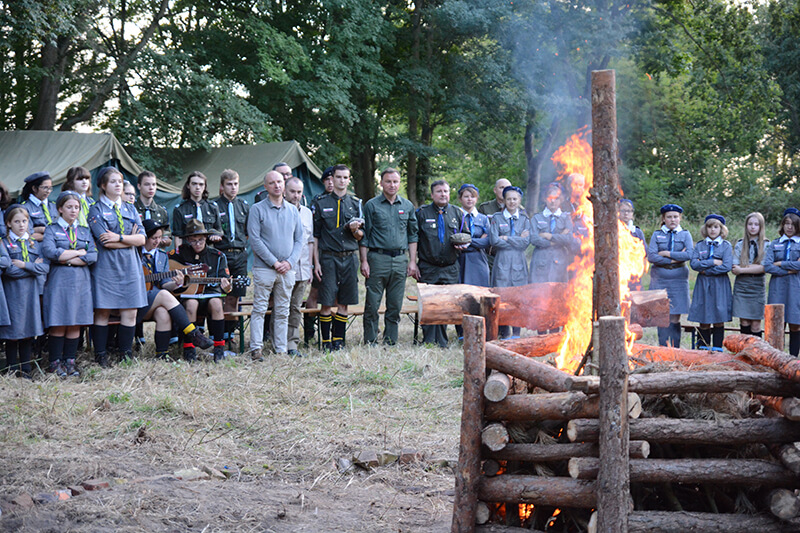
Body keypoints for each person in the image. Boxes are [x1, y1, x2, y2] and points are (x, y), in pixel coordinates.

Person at [88, 167, 147, 367]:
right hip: (106, 267)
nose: (118, 185)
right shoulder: (96, 209)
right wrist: (130, 240)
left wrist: (120, 237)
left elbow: (142, 239)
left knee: (130, 312)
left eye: (120, 181)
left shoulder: (130, 208)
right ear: (103, 185)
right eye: (113, 182)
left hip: (130, 266)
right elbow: (104, 241)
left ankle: (125, 355)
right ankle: (101, 355)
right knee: (103, 311)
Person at [359, 168, 419, 346]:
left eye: (395, 181)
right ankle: (370, 341)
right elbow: (364, 236)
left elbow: (413, 235)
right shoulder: (372, 205)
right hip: (377, 259)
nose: (392, 185)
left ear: (399, 183)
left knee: (395, 304)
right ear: (381, 183)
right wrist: (364, 261)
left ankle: (391, 340)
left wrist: (412, 261)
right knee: (372, 303)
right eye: (388, 181)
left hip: (400, 260)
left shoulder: (407, 206)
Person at [247, 171, 303, 359]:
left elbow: (299, 240)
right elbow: (255, 240)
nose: (277, 186)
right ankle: (256, 348)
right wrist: (274, 262)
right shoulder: (257, 209)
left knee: (283, 311)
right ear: (265, 187)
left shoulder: (293, 210)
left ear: (284, 184)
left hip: (287, 269)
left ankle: (281, 350)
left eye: (279, 182)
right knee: (260, 309)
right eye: (272, 183)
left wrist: (289, 262)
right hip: (264, 268)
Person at [139, 219, 213, 360]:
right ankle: (193, 333)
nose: (158, 241)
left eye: (160, 237)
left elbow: (165, 283)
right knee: (163, 295)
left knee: (162, 312)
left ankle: (162, 355)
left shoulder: (162, 256)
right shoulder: (134, 254)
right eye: (154, 238)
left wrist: (177, 284)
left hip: (152, 301)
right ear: (145, 237)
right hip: (136, 300)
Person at [41, 191, 97, 377]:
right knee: (59, 321)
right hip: (59, 281)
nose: (74, 211)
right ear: (60, 209)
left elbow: (93, 256)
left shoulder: (84, 231)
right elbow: (50, 251)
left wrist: (66, 257)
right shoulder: (52, 229)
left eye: (77, 207)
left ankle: (70, 362)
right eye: (69, 207)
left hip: (81, 281)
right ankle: (55, 363)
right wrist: (79, 253)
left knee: (75, 322)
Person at [312, 164, 363, 351]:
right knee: (326, 302)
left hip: (349, 258)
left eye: (345, 177)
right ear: (332, 179)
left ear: (349, 180)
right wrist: (316, 263)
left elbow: (361, 237)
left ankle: (338, 341)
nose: (342, 180)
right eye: (338, 177)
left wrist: (355, 230)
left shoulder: (356, 203)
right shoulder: (321, 202)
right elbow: (315, 236)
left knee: (344, 302)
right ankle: (326, 342)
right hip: (328, 258)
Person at [170, 220, 232, 362]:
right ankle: (189, 349)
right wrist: (177, 277)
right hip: (188, 296)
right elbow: (167, 265)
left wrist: (227, 287)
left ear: (206, 238)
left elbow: (226, 282)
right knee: (191, 305)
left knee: (216, 304)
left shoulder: (217, 256)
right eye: (193, 240)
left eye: (200, 240)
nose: (197, 244)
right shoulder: (179, 252)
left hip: (210, 294)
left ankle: (219, 348)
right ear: (187, 239)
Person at [415, 179, 465, 347]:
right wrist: (412, 263)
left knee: (445, 305)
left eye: (446, 191)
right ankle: (429, 340)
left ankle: (442, 341)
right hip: (428, 266)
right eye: (439, 191)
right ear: (432, 194)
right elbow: (414, 239)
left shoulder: (457, 213)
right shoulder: (422, 213)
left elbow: (465, 234)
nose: (443, 194)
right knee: (429, 304)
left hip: (450, 267)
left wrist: (463, 244)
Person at [1, 205, 49, 378]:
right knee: (13, 332)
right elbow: (9, 271)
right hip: (12, 292)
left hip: (31, 293)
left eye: (24, 221)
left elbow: (44, 267)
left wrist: (24, 265)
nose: (21, 225)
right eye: (17, 221)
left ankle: (26, 369)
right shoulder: (4, 243)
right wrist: (33, 268)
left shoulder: (34, 243)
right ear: (8, 223)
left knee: (28, 331)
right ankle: (12, 369)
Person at [276, 176, 314, 355]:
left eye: (299, 192)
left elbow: (310, 241)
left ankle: (292, 344)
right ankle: (278, 343)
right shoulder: (278, 211)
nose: (296, 195)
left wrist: (310, 267)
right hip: (284, 268)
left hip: (303, 268)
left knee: (295, 308)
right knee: (281, 307)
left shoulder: (307, 213)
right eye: (292, 191)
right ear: (285, 191)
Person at [648, 204, 693, 348]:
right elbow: (652, 256)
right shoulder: (657, 234)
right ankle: (663, 348)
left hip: (678, 278)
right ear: (663, 218)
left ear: (680, 218)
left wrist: (667, 254)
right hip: (660, 277)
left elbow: (689, 254)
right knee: (661, 314)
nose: (672, 220)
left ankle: (675, 349)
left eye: (675, 217)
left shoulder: (685, 234)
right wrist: (674, 259)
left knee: (675, 314)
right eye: (669, 217)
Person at [490, 186, 531, 339]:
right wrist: (517, 239)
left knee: (518, 298)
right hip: (503, 261)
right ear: (504, 200)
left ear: (519, 200)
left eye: (515, 199)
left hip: (519, 262)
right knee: (502, 296)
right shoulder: (497, 218)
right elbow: (494, 240)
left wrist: (506, 238)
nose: (512, 202)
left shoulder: (525, 219)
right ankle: (505, 333)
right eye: (509, 199)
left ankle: (516, 333)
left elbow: (525, 243)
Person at [213, 169, 250, 339]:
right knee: (221, 296)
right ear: (222, 186)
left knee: (235, 297)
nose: (233, 187)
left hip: (240, 255)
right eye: (229, 184)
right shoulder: (214, 206)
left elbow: (247, 232)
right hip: (222, 254)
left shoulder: (244, 205)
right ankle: (219, 335)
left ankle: (230, 335)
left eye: (236, 184)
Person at [688, 214, 733, 351]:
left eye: (716, 227)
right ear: (705, 229)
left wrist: (705, 269)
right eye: (709, 227)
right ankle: (702, 349)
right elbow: (694, 264)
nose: (712, 230)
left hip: (720, 284)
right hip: (703, 284)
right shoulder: (700, 245)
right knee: (703, 316)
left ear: (721, 229)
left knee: (719, 316)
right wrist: (713, 261)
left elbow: (726, 266)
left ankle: (718, 349)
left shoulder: (726, 246)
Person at [304, 166, 335, 343]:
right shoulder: (317, 201)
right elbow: (313, 232)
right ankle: (309, 331)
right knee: (315, 293)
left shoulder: (347, 200)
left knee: (336, 295)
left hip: (339, 255)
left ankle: (333, 332)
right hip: (321, 252)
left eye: (333, 179)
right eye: (327, 180)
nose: (331, 183)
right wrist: (315, 261)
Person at [764, 210, 800, 356]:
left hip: (796, 288)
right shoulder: (775, 243)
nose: (789, 227)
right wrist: (789, 270)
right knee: (777, 324)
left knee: (796, 324)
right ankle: (776, 358)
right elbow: (768, 266)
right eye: (787, 223)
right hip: (777, 288)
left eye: (793, 224)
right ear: (782, 225)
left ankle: (793, 359)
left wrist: (779, 263)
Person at [732, 212, 768, 337]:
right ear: (746, 226)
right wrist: (754, 267)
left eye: (756, 224)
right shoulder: (740, 244)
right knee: (744, 321)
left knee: (756, 324)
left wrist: (742, 269)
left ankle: (756, 349)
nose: (753, 227)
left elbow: (763, 268)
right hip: (742, 286)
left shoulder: (766, 244)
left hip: (757, 286)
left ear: (761, 226)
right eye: (750, 224)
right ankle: (745, 348)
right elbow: (734, 267)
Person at [529, 182, 574, 284]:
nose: (553, 201)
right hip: (540, 261)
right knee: (538, 290)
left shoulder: (566, 218)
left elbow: (569, 239)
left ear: (561, 200)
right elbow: (534, 239)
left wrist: (549, 236)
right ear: (545, 199)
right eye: (550, 198)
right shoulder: (537, 218)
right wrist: (558, 238)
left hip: (559, 261)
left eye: (556, 198)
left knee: (559, 290)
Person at [171, 171, 222, 247]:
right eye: (194, 184)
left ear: (205, 186)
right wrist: (179, 253)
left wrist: (216, 235)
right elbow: (178, 237)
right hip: (188, 250)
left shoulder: (213, 207)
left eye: (201, 184)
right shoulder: (180, 209)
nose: (198, 187)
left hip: (208, 250)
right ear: (188, 185)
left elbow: (219, 230)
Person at [456, 184, 490, 287]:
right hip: (460, 258)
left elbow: (488, 241)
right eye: (466, 196)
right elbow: (455, 239)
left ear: (477, 199)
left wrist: (468, 241)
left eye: (472, 196)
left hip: (479, 258)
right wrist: (478, 241)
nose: (469, 199)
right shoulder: (456, 216)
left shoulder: (483, 219)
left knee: (480, 290)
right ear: (460, 199)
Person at [134, 171, 171, 248]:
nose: (151, 188)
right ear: (139, 186)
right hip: (136, 251)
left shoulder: (161, 211)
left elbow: (168, 239)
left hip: (155, 252)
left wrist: (163, 239)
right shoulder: (132, 208)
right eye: (147, 184)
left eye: (153, 184)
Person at [19, 171, 57, 242]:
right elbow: (27, 234)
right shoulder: (25, 208)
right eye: (45, 188)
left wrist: (40, 230)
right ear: (34, 188)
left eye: (50, 188)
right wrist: (51, 235)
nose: (48, 191)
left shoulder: (54, 206)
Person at [619, 199, 647, 291]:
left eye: (629, 211)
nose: (626, 214)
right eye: (623, 210)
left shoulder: (637, 232)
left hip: (633, 272)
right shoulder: (614, 231)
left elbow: (645, 252)